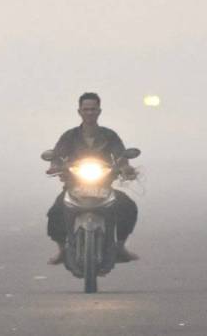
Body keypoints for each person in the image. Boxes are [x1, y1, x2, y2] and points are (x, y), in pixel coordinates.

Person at [46, 92, 140, 265]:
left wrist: (126, 168)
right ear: (79, 111)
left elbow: (121, 156)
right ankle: (62, 250)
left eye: (93, 109)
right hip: (74, 186)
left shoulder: (110, 135)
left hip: (103, 186)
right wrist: (54, 166)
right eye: (86, 109)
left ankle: (120, 246)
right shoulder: (69, 136)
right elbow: (57, 155)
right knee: (55, 211)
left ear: (99, 111)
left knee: (128, 206)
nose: (89, 112)